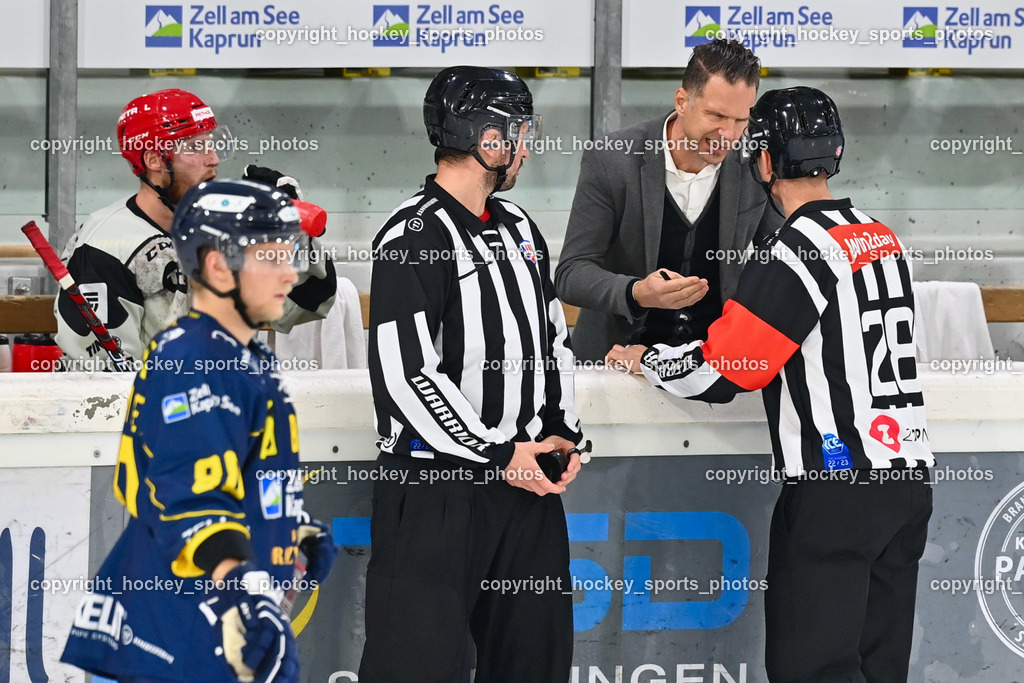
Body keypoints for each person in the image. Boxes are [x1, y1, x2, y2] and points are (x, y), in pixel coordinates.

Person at [607, 87, 934, 683]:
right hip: (907, 482)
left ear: (764, 161)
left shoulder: (797, 250)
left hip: (836, 486)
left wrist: (648, 359)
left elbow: (728, 371)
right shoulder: (883, 238)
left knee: (813, 670)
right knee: (878, 667)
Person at [61, 179, 339, 683]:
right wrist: (242, 594)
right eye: (271, 255)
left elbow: (245, 477)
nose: (291, 270)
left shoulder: (238, 354)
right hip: (185, 625)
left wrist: (290, 534)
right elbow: (188, 498)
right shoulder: (197, 361)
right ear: (217, 267)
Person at [359, 66, 584, 683]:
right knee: (416, 667)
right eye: (519, 131)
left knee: (532, 665)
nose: (526, 146)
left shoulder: (520, 229)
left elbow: (551, 343)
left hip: (524, 491)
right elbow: (406, 376)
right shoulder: (414, 235)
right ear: (488, 139)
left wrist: (564, 432)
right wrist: (496, 452)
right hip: (437, 496)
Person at [55, 88, 336, 369]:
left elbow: (304, 303)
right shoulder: (105, 248)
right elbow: (101, 382)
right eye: (194, 147)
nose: (213, 158)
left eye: (211, 144)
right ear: (154, 160)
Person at [555, 39, 783, 362]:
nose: (728, 135)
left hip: (710, 368)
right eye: (716, 115)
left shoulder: (756, 162)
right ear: (681, 101)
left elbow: (783, 258)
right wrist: (636, 293)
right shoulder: (611, 159)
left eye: (741, 120)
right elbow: (570, 274)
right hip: (616, 366)